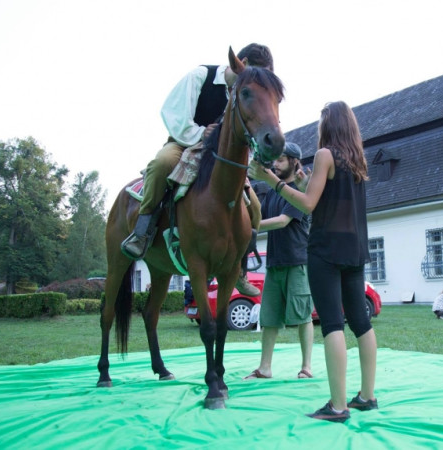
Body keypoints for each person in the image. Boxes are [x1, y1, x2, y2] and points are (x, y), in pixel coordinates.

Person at [248, 101, 377, 423]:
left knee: (333, 324)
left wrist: (273, 180)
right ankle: (367, 396)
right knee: (361, 324)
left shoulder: (325, 155)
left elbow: (306, 206)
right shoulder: (357, 161)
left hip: (325, 250)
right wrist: (305, 184)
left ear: (327, 125)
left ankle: (337, 406)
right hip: (355, 248)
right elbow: (324, 198)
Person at [121, 43, 274, 297]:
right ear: (241, 63)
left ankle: (239, 269)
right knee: (161, 165)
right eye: (256, 74)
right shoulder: (200, 77)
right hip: (184, 144)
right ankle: (142, 231)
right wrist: (203, 134)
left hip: (218, 158)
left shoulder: (246, 93)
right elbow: (174, 115)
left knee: (255, 207)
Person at [243, 143, 315, 381]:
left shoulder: (300, 190)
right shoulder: (273, 191)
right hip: (274, 262)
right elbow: (260, 216)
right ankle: (264, 368)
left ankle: (306, 367)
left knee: (303, 316)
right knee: (270, 317)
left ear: (295, 162)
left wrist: (250, 226)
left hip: (298, 261)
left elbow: (283, 221)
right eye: (275, 160)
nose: (275, 164)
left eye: (281, 160)